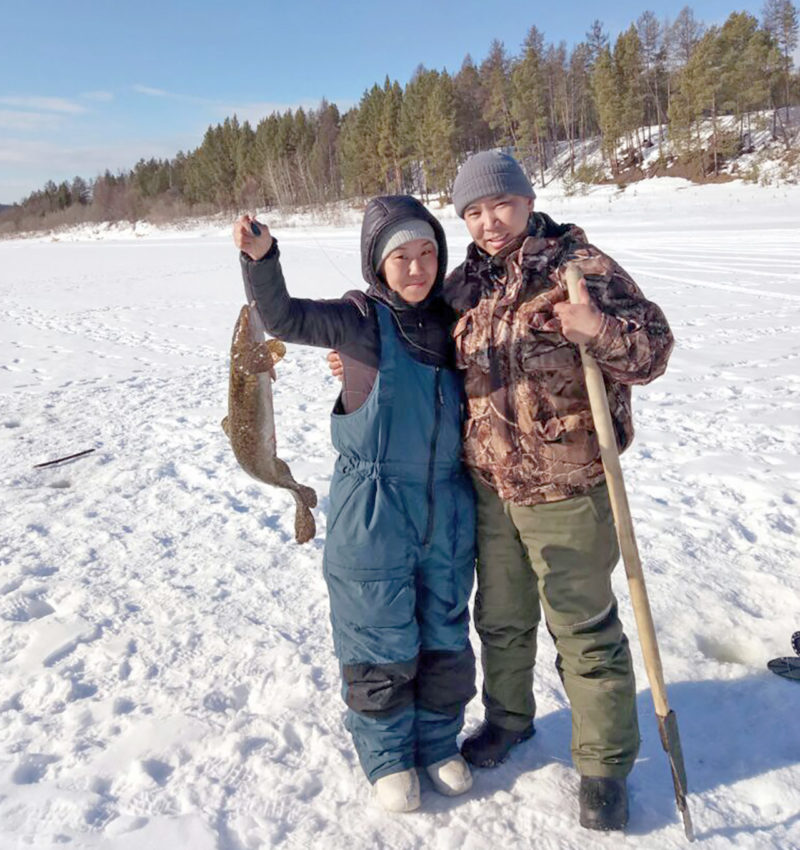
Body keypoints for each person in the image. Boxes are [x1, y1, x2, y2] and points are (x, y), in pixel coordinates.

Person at [444, 150, 674, 831]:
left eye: (500, 206)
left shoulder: (581, 266)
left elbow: (654, 350)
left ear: (526, 199)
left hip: (569, 486)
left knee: (583, 627)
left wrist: (597, 330)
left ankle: (604, 767)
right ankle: (509, 720)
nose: (489, 223)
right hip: (490, 486)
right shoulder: (463, 287)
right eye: (474, 212)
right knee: (502, 617)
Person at [232, 196, 476, 813]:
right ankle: (388, 758)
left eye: (427, 254)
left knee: (445, 633)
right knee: (379, 638)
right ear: (377, 262)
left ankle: (438, 743)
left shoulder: (454, 320)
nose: (417, 268)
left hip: (446, 506)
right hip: (372, 513)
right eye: (401, 256)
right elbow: (283, 319)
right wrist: (262, 259)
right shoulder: (357, 320)